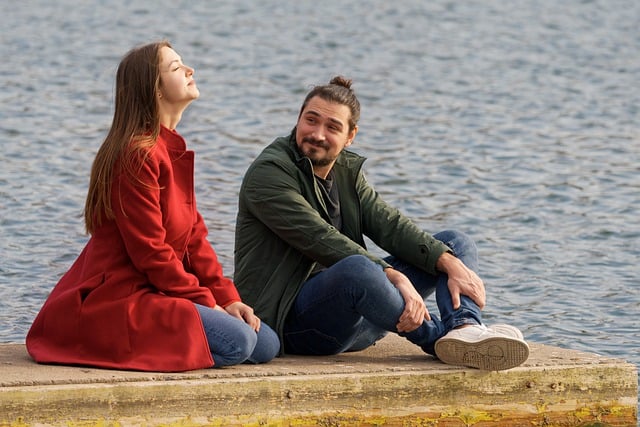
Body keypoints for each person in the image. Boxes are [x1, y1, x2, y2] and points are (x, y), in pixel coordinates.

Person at [234, 76, 529, 371]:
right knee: (357, 268)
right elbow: (320, 239)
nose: (318, 134)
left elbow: (391, 225)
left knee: (454, 244)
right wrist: (394, 277)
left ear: (350, 136)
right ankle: (440, 338)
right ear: (298, 119)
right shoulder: (270, 173)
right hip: (297, 326)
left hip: (363, 319)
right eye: (311, 121)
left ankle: (465, 329)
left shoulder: (345, 170)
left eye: (333, 127)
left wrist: (447, 262)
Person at [26, 41, 279, 372]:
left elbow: (194, 240)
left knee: (266, 344)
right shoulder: (137, 154)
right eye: (176, 68)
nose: (190, 70)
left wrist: (227, 298)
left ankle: (182, 340)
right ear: (154, 90)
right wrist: (206, 303)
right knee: (238, 341)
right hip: (121, 298)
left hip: (160, 291)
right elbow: (151, 253)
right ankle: (144, 346)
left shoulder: (170, 150)